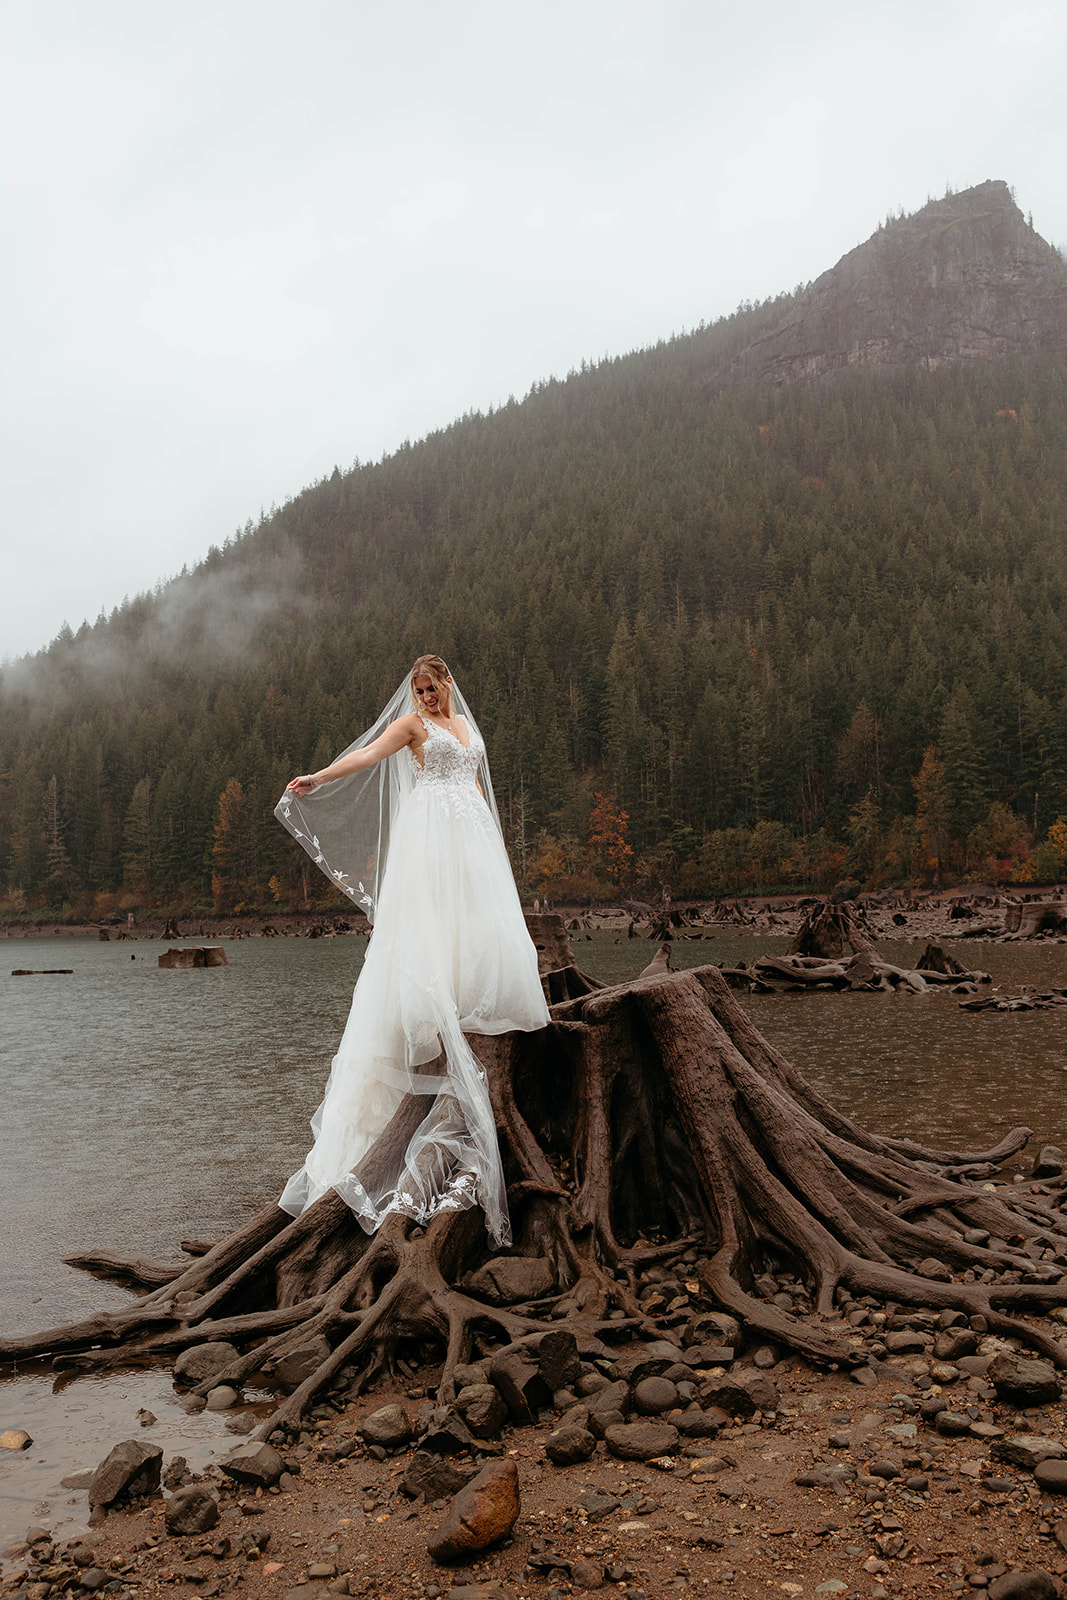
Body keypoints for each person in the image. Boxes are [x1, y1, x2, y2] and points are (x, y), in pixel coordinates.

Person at [275, 655, 548, 1247]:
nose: (424, 697)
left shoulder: (467, 729)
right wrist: (319, 777)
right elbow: (368, 754)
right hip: (431, 837)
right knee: (431, 925)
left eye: (432, 687)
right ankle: (434, 1023)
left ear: (448, 682)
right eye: (419, 689)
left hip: (471, 833)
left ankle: (473, 1008)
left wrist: (491, 842)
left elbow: (475, 782)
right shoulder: (413, 728)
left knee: (474, 923)